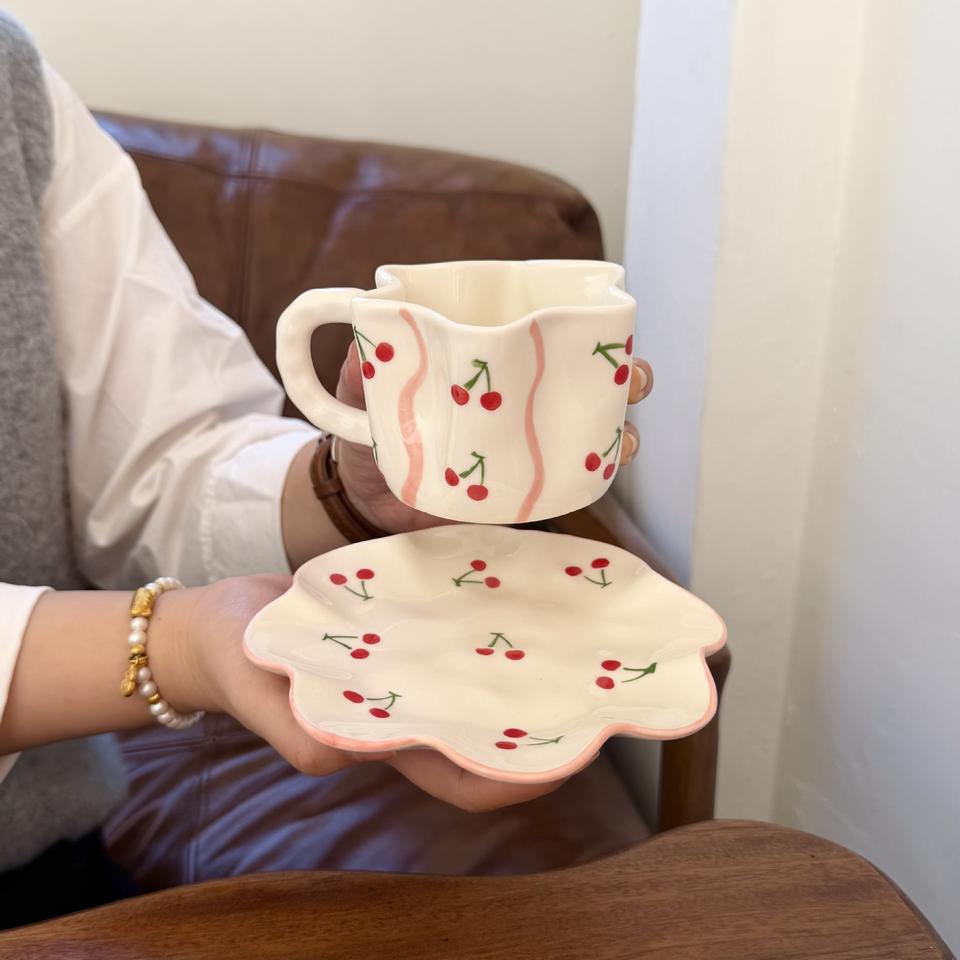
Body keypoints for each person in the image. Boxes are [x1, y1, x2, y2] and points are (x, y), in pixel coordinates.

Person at [0, 12, 653, 926]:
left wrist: (352, 485)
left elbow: (160, 461)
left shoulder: (12, 82)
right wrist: (175, 644)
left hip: (44, 866)